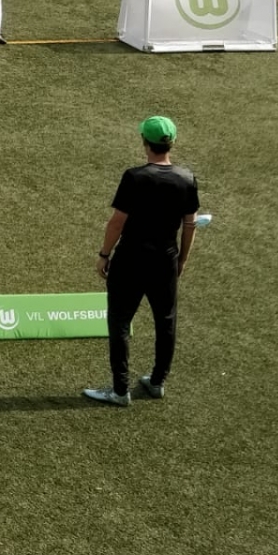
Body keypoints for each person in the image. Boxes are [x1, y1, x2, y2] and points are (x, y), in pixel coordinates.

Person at [86, 116, 200, 407]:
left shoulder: (135, 177)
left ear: (145, 142)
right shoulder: (187, 178)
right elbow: (190, 224)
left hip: (131, 259)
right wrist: (182, 259)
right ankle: (157, 382)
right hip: (166, 259)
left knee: (120, 321)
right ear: (172, 142)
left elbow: (117, 222)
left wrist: (104, 254)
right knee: (166, 321)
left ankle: (119, 390)